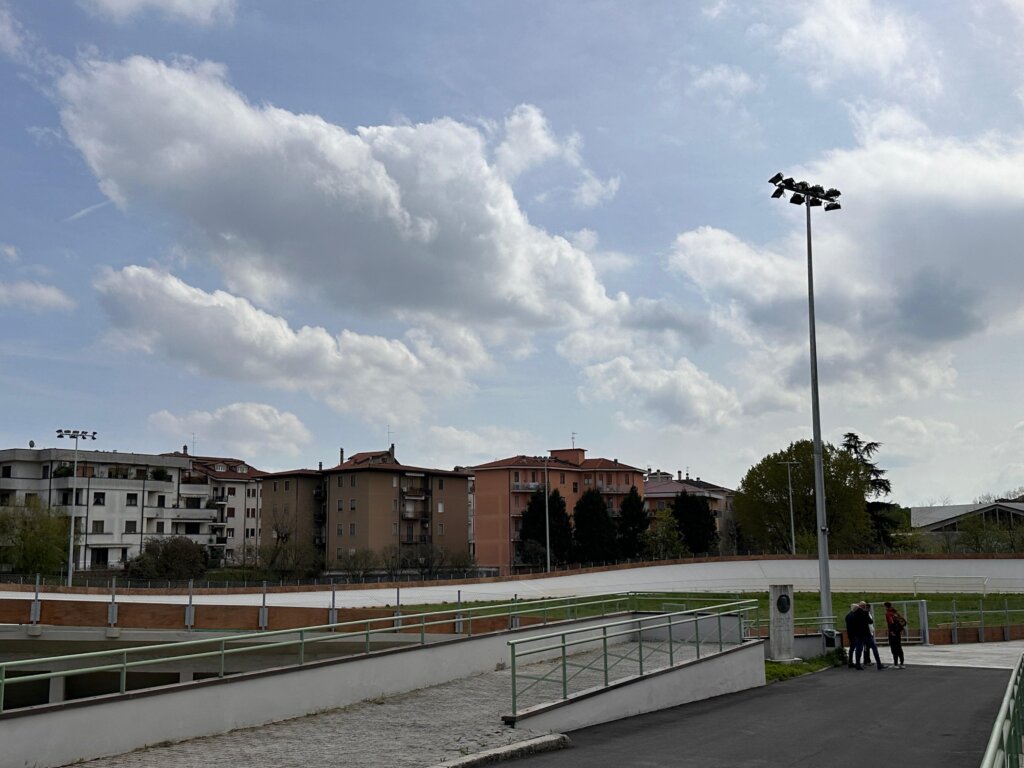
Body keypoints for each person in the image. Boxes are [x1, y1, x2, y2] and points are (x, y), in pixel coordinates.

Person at [859, 601, 886, 670]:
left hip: (861, 634)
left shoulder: (857, 613)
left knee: (861, 649)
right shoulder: (865, 613)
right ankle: (877, 664)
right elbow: (870, 621)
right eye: (866, 607)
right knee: (872, 648)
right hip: (866, 634)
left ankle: (862, 663)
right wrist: (866, 613)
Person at [885, 601, 907, 668]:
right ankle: (902, 663)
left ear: (886, 607)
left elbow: (891, 623)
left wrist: (892, 631)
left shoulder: (888, 614)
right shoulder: (896, 612)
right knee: (899, 647)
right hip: (898, 632)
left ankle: (895, 664)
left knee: (894, 648)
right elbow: (904, 621)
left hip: (892, 632)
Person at [844, 603, 863, 669]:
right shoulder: (853, 616)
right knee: (855, 648)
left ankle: (850, 662)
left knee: (852, 648)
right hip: (854, 634)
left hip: (851, 634)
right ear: (855, 609)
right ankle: (853, 662)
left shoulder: (848, 615)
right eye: (857, 608)